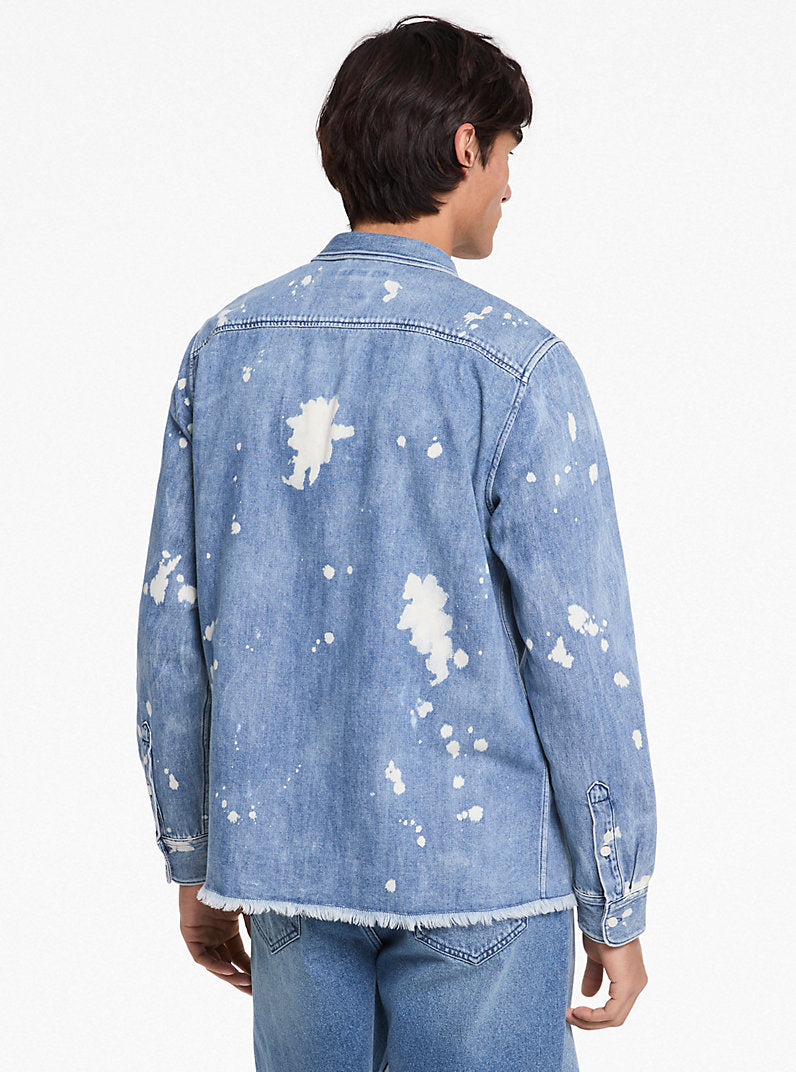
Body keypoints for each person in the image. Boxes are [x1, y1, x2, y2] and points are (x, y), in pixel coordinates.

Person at [135, 14, 657, 1071]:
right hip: (484, 883)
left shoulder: (224, 351)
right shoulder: (517, 366)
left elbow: (172, 635)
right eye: (507, 154)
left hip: (283, 872)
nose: (508, 186)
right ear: (466, 147)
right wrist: (616, 895)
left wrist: (194, 858)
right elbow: (579, 656)